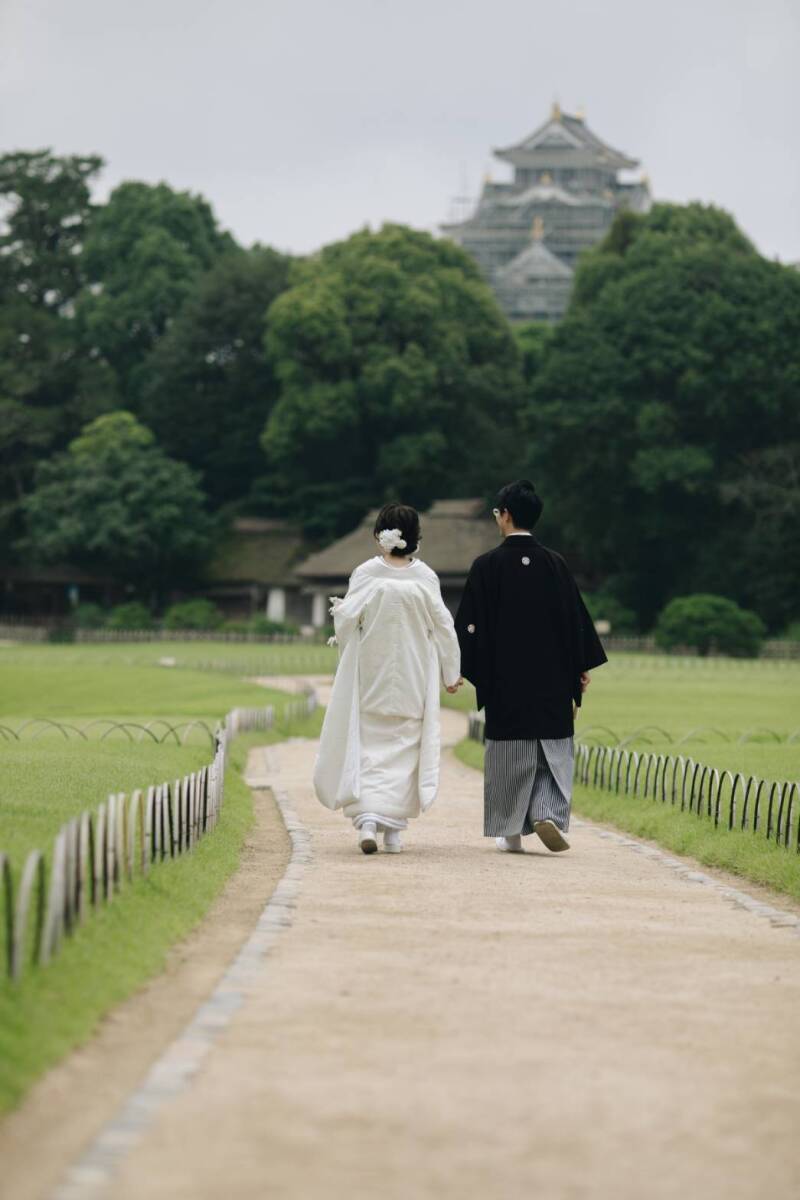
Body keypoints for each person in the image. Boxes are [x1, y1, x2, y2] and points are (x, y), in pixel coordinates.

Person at [454, 480, 607, 854]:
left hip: (506, 681)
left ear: (505, 515)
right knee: (550, 748)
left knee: (509, 753)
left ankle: (510, 834)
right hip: (553, 679)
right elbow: (576, 622)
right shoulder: (555, 564)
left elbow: (469, 627)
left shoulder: (486, 566)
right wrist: (579, 666)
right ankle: (546, 812)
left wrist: (457, 666)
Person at [313, 503, 463, 854]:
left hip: (371, 670)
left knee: (367, 744)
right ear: (415, 538)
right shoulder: (424, 576)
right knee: (404, 745)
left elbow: (346, 622)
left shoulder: (366, 572)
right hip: (413, 671)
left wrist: (349, 652)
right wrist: (450, 672)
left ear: (380, 535)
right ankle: (393, 830)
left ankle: (368, 820)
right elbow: (444, 626)